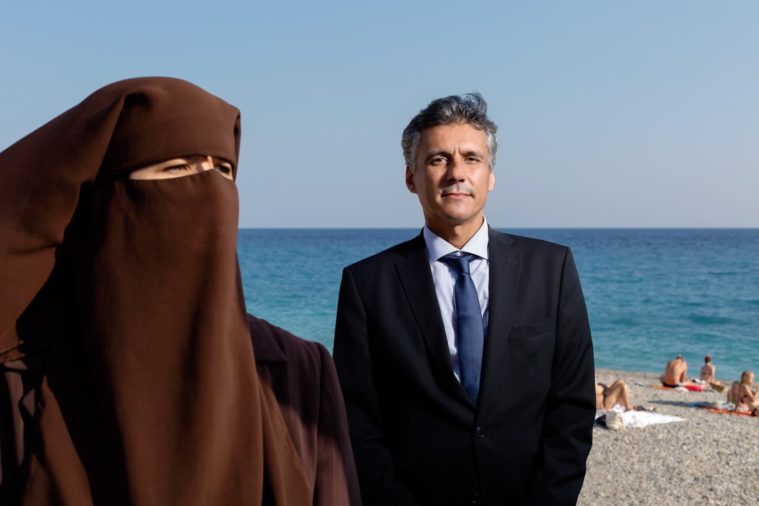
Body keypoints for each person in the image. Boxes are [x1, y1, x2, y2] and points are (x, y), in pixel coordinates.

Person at [0, 77, 358, 505]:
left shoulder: (301, 371)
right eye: (177, 170)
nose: (210, 192)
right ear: (108, 203)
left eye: (223, 171)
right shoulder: (22, 381)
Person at [333, 93, 595, 505]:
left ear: (490, 175)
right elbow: (358, 421)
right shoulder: (367, 285)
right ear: (410, 177)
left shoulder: (552, 268)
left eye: (471, 159)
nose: (457, 173)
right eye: (438, 159)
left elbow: (572, 406)